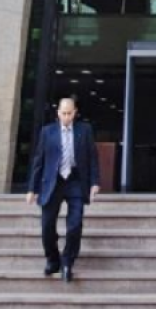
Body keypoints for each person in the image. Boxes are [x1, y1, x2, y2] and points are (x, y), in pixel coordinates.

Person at [27, 96, 101, 282]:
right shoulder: (47, 132)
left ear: (75, 113)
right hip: (53, 182)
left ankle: (67, 261)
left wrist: (95, 182)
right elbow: (39, 161)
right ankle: (53, 260)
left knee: (75, 225)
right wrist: (32, 189)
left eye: (70, 113)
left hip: (76, 181)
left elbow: (92, 157)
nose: (66, 117)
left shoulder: (85, 130)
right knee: (47, 226)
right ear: (58, 113)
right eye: (63, 113)